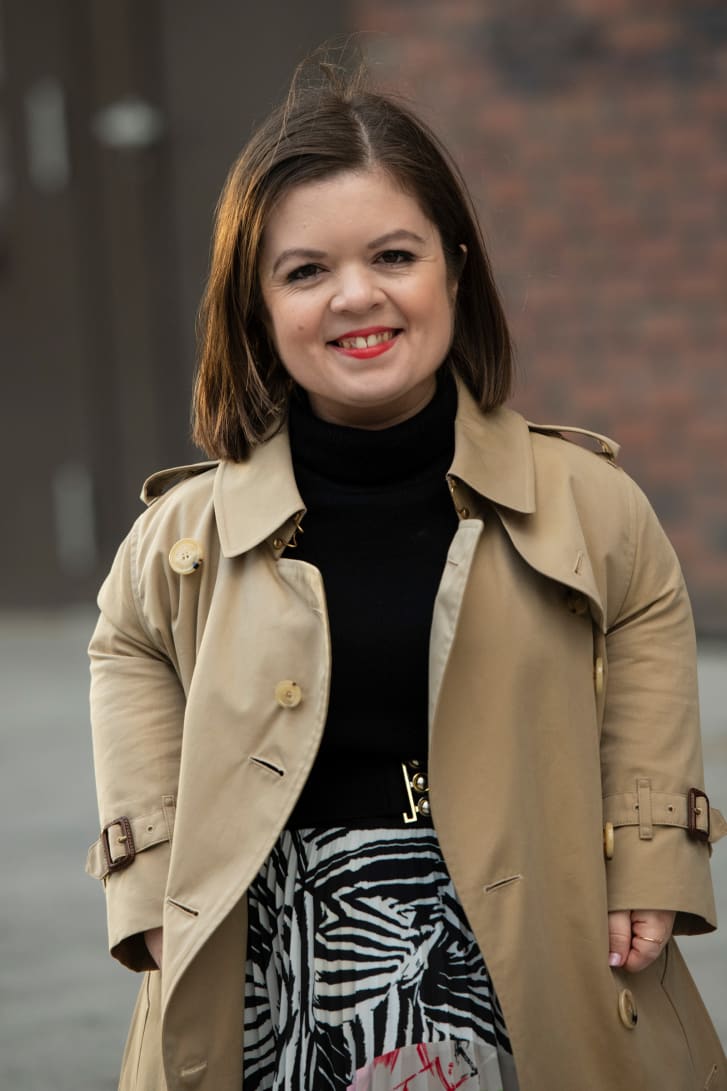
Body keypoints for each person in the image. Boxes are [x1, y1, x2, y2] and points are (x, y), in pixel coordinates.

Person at [86, 53, 727, 1091]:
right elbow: (126, 652)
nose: (356, 297)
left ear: (454, 268)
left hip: (537, 952)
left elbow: (651, 633)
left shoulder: (588, 501)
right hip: (270, 964)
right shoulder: (181, 535)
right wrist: (148, 871)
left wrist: (653, 849)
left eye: (394, 254)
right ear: (257, 307)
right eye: (304, 271)